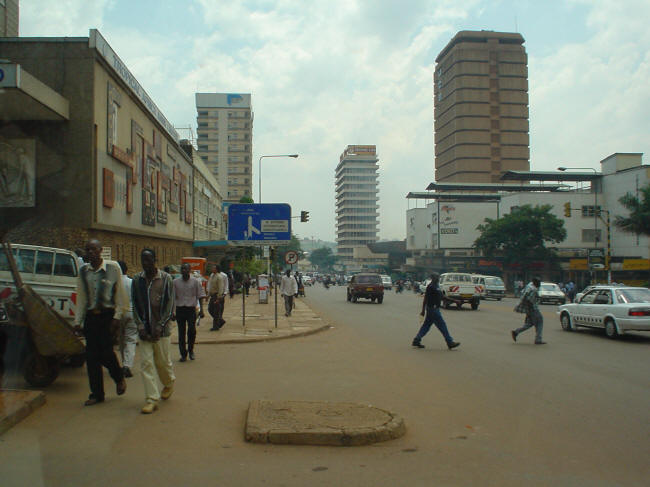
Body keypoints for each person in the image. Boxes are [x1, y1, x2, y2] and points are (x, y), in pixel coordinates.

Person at [74, 239, 128, 406]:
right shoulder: (83, 271)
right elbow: (82, 298)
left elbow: (120, 294)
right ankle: (96, 394)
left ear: (100, 250)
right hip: (91, 317)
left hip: (107, 317)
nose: (90, 252)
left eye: (93, 249)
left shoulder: (113, 268)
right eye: (87, 250)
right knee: (91, 357)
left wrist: (117, 317)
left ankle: (118, 377)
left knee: (106, 353)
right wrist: (78, 321)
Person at [131, 248, 175, 414]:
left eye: (148, 260)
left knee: (162, 363)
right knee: (146, 364)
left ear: (155, 260)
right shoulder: (137, 280)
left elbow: (170, 305)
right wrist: (140, 325)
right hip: (144, 331)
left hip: (161, 332)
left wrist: (160, 325)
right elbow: (134, 304)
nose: (145, 263)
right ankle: (152, 399)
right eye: (143, 260)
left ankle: (169, 382)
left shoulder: (166, 279)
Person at [412, 273, 460, 350]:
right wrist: (423, 310)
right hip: (433, 309)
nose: (438, 278)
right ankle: (449, 342)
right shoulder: (430, 287)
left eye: (438, 277)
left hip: (433, 309)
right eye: (436, 277)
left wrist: (454, 300)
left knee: (426, 325)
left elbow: (442, 297)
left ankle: (417, 340)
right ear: (432, 278)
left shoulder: (436, 286)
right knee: (442, 325)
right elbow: (425, 299)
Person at [173, 263, 206, 361]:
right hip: (180, 309)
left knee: (192, 330)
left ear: (189, 270)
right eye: (182, 269)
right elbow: (172, 298)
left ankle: (191, 350)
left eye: (186, 269)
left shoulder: (195, 282)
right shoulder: (175, 282)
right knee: (181, 332)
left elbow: (200, 296)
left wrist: (202, 310)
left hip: (191, 309)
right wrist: (172, 312)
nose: (184, 270)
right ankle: (183, 354)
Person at [117, 260, 137, 378]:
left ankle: (125, 363)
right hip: (131, 312)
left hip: (118, 314)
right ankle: (127, 365)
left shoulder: (115, 282)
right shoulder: (131, 282)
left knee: (121, 340)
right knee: (131, 339)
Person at [511, 277, 546, 345]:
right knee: (540, 322)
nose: (539, 284)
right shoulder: (533, 290)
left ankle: (516, 332)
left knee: (529, 324)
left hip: (530, 310)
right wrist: (531, 310)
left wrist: (528, 312)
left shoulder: (529, 287)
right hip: (533, 310)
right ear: (535, 283)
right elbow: (528, 300)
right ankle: (538, 339)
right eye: (538, 282)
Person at [207, 264, 226, 330]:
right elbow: (211, 286)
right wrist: (208, 295)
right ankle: (220, 321)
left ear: (217, 269)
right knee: (210, 309)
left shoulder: (219, 277)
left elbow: (221, 288)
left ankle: (216, 326)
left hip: (217, 295)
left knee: (216, 311)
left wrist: (219, 298)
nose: (212, 269)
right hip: (212, 295)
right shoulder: (212, 276)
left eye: (213, 268)